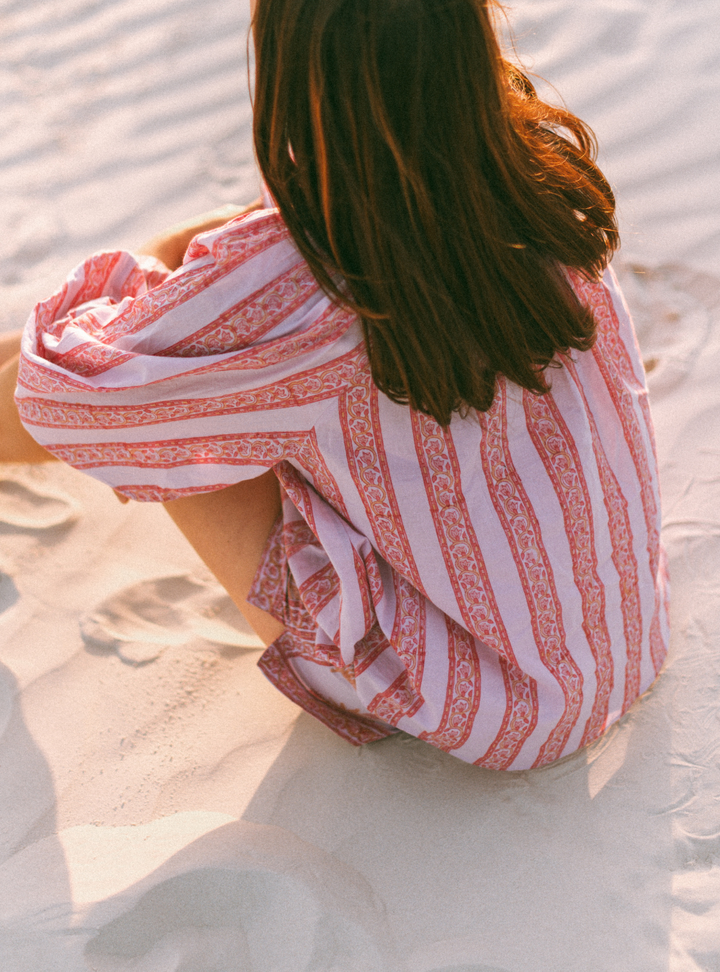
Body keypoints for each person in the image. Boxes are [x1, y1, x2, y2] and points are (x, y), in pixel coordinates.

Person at [2, 0, 668, 769]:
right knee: (210, 321)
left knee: (142, 371)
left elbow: (60, 401)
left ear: (291, 69)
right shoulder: (544, 177)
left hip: (475, 701)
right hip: (618, 649)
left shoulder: (311, 284)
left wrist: (167, 262)